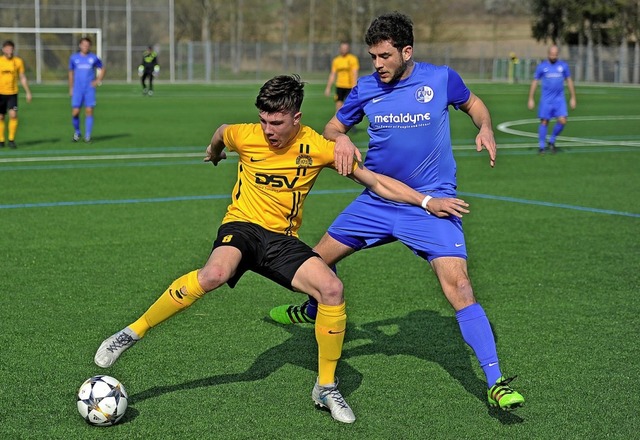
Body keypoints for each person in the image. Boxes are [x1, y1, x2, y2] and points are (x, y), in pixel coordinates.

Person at [93, 74, 438, 424]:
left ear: (296, 119)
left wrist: (426, 201)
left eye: (276, 122)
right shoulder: (245, 135)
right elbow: (222, 130)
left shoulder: (317, 147)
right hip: (241, 226)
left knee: (331, 289)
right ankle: (131, 332)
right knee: (214, 273)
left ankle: (325, 386)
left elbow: (377, 182)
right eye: (263, 121)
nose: (268, 130)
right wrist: (215, 151)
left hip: (281, 240)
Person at [270, 12, 525, 412]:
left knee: (459, 287)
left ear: (407, 51)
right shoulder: (365, 87)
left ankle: (495, 381)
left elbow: (474, 104)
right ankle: (312, 307)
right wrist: (341, 142)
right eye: (373, 56)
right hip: (378, 200)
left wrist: (486, 126)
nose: (378, 64)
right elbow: (334, 128)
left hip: (431, 203)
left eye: (385, 56)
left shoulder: (441, 79)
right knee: (315, 262)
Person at [528, 45, 576, 154]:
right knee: (544, 121)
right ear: (548, 53)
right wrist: (531, 98)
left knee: (563, 120)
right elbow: (535, 81)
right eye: (551, 54)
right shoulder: (542, 66)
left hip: (559, 99)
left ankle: (552, 140)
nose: (553, 56)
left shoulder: (563, 66)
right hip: (546, 100)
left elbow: (569, 81)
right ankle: (541, 146)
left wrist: (573, 98)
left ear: (557, 54)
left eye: (555, 54)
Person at [69, 37, 105, 143]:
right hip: (77, 89)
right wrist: (71, 87)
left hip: (89, 89)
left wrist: (97, 80)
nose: (85, 47)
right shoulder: (74, 58)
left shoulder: (93, 58)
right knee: (75, 113)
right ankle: (77, 132)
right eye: (84, 44)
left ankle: (88, 136)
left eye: (87, 45)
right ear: (80, 45)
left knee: (89, 111)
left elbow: (102, 68)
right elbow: (71, 73)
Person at [0, 40, 32, 149]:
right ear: (3, 49)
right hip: (0, 93)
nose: (9, 51)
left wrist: (28, 92)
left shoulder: (18, 61)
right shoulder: (0, 61)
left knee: (13, 115)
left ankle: (11, 140)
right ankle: (1, 140)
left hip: (12, 93)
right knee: (1, 117)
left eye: (11, 48)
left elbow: (22, 77)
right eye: (7, 48)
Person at [324, 41, 359, 112]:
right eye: (342, 48)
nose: (344, 50)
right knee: (338, 105)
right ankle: (338, 121)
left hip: (350, 86)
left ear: (348, 49)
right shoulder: (336, 60)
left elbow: (355, 73)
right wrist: (328, 87)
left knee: (350, 106)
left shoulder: (353, 59)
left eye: (345, 48)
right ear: (340, 49)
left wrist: (354, 85)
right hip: (340, 85)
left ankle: (349, 122)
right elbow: (333, 74)